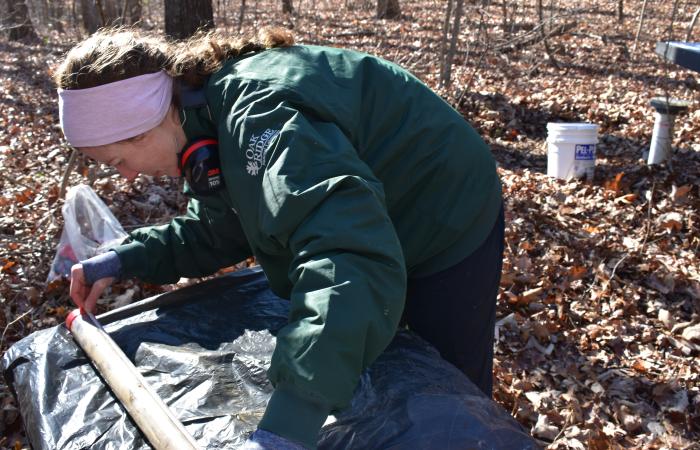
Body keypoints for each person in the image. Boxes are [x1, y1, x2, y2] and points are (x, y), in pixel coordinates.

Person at [57, 27, 504, 450]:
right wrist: (122, 259)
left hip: (444, 208)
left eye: (119, 159)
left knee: (447, 396)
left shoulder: (261, 120)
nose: (129, 175)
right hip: (375, 214)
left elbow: (346, 256)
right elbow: (219, 229)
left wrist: (289, 422)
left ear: (145, 122)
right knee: (373, 343)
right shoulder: (202, 124)